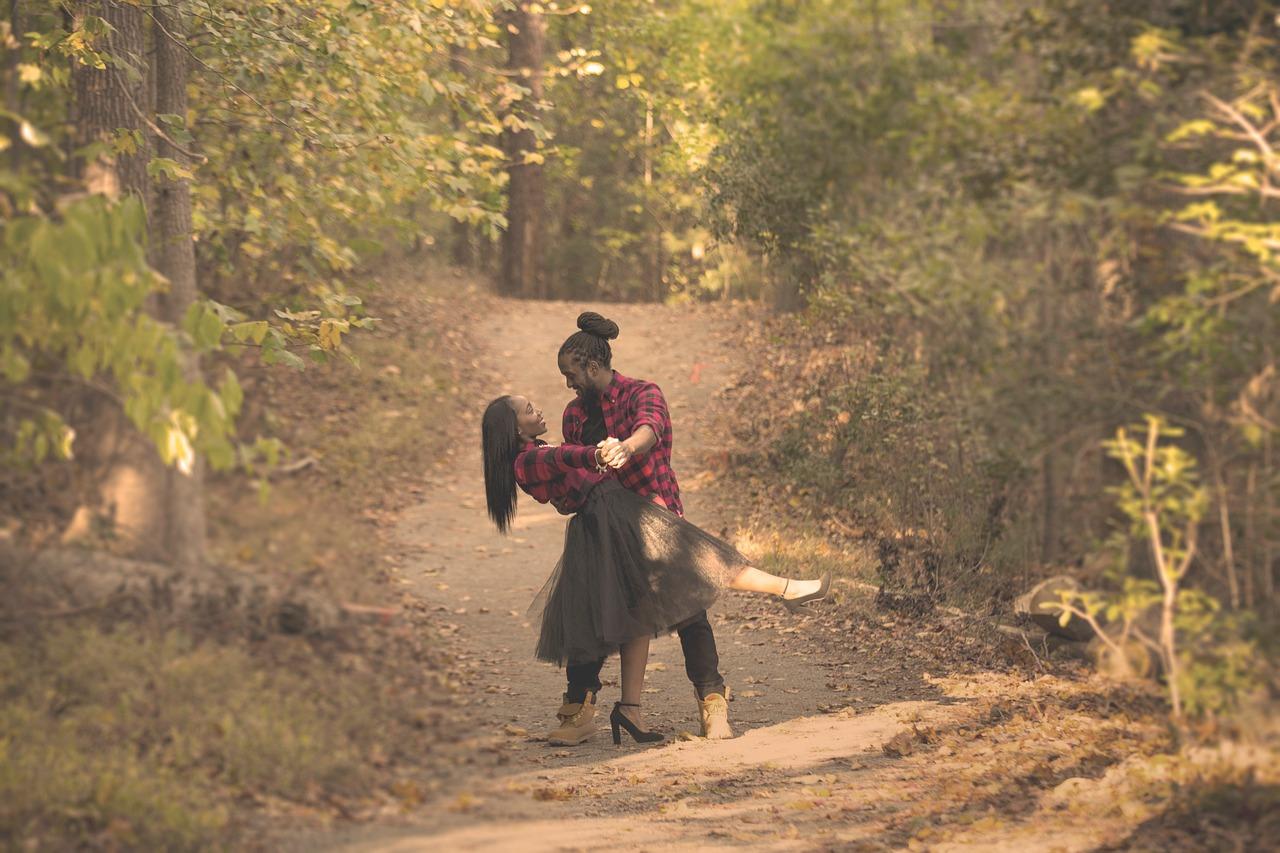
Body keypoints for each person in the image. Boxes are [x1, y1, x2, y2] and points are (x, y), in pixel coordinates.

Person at [480, 393, 830, 746]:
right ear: (514, 429)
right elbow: (563, 458)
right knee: (697, 562)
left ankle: (629, 709)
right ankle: (788, 589)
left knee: (640, 609)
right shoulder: (527, 460)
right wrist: (597, 454)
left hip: (612, 516)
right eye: (529, 410)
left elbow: (567, 464)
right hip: (612, 518)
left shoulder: (537, 451)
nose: (538, 410)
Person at [548, 311, 829, 745]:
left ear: (593, 365)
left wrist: (626, 448)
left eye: (571, 374)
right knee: (594, 614)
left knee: (689, 609)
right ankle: (581, 712)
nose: (569, 384)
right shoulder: (574, 416)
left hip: (654, 517)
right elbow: (577, 472)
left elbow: (650, 430)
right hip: (602, 529)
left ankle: (712, 703)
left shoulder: (642, 393)